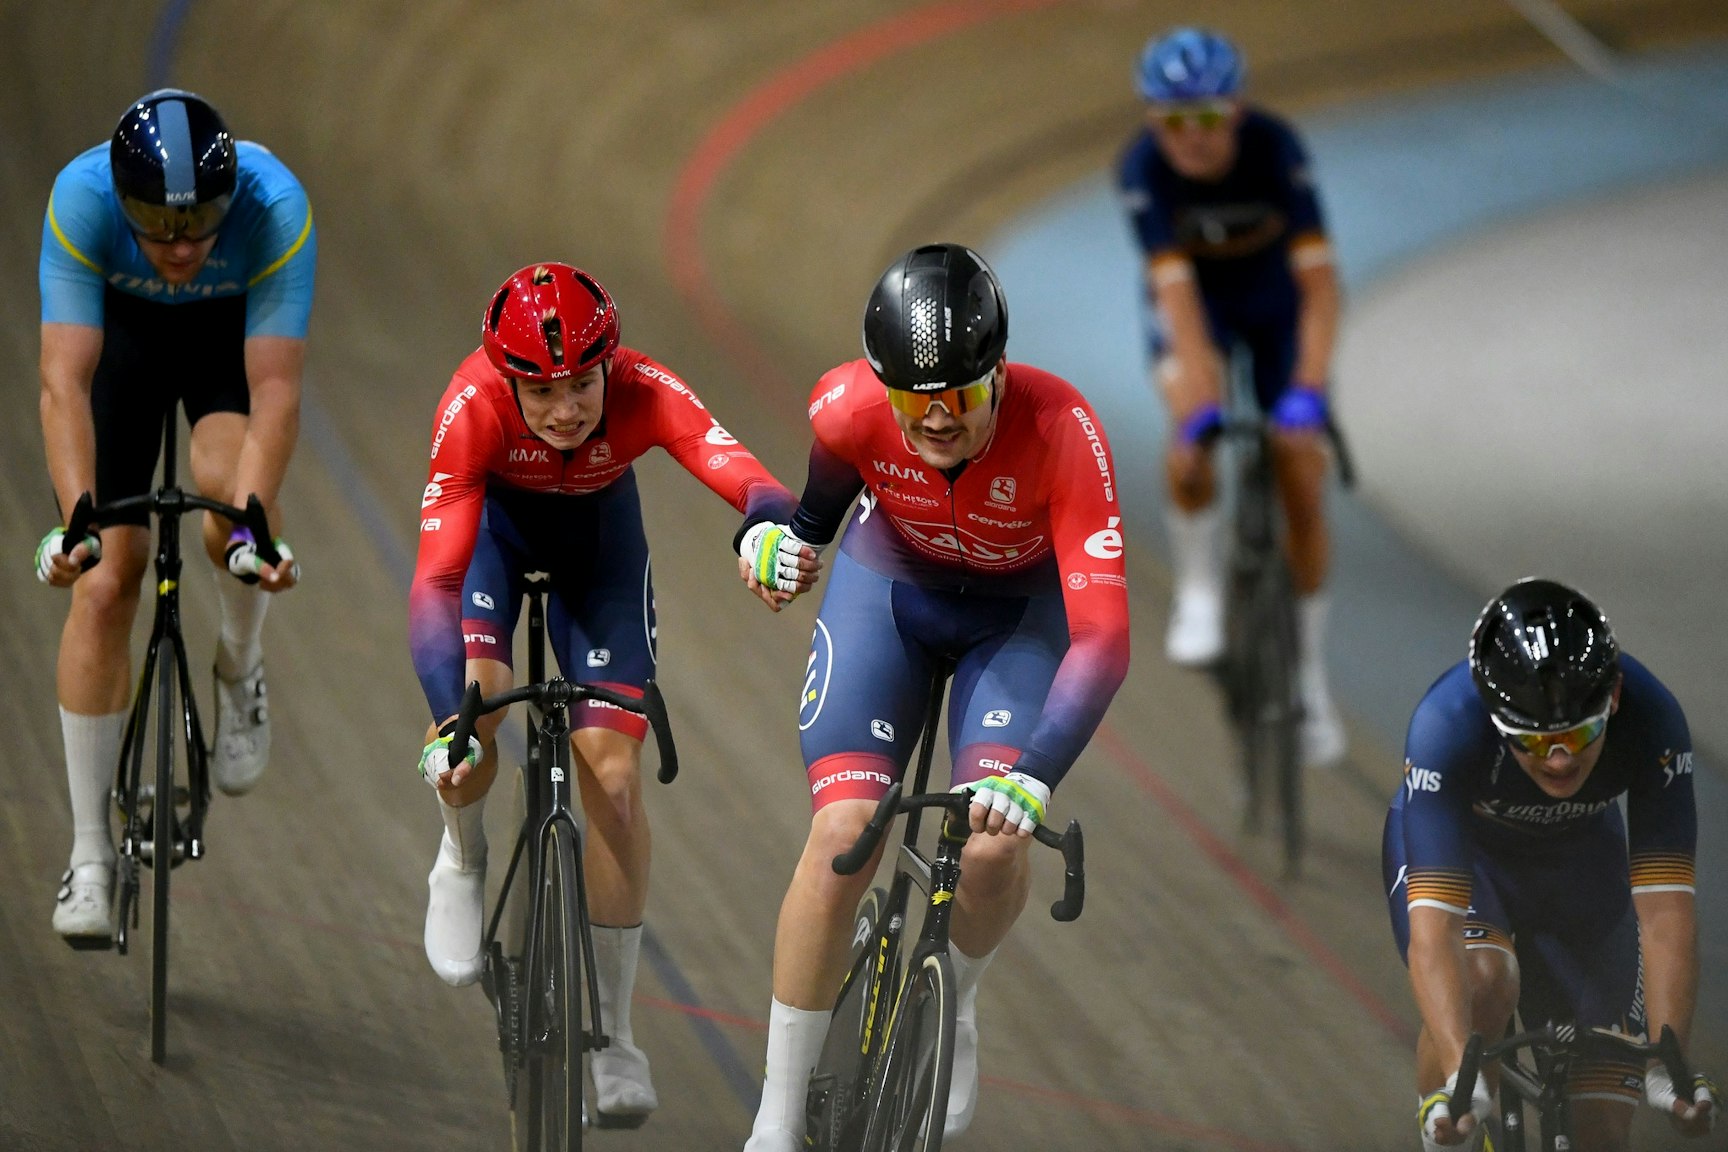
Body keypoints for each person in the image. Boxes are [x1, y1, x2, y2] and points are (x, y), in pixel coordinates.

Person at [735, 243, 1131, 1150]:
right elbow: (813, 520)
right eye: (914, 400)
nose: (937, 418)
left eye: (960, 395)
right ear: (884, 387)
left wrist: (1033, 778)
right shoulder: (847, 409)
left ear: (998, 373)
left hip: (1017, 622)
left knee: (991, 845)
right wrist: (776, 552)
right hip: (892, 596)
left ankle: (958, 999)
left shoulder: (1064, 431)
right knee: (842, 836)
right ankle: (778, 1111)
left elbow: (1103, 636)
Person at [409, 261, 809, 1125]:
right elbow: (438, 583)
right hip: (494, 545)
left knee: (616, 783)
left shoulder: (641, 388)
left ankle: (615, 1035)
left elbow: (737, 466)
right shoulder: (472, 406)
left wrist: (768, 521)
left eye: (582, 384)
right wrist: (451, 720)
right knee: (471, 723)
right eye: (541, 391)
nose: (566, 409)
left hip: (600, 547)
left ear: (610, 366)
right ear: (507, 380)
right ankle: (463, 852)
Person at [36, 89, 313, 947]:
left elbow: (274, 391)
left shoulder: (275, 208)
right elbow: (65, 384)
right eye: (157, 225)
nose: (184, 245)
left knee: (223, 512)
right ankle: (89, 859)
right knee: (107, 580)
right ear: (121, 199)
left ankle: (240, 666)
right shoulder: (80, 198)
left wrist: (254, 528)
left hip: (224, 347)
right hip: (124, 347)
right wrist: (77, 519)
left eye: (201, 225)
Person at [1383, 578, 1718, 1152]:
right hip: (1470, 858)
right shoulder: (1445, 722)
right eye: (1533, 742)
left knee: (1602, 1132)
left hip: (1581, 863)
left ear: (1613, 699)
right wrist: (1463, 1074)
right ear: (1494, 719)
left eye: (1580, 734)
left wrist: (1670, 1063)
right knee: (1484, 980)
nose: (1559, 760)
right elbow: (1434, 932)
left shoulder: (1653, 719)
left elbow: (1665, 913)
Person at [1117, 27, 1346, 767]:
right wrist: (1202, 405)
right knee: (1191, 444)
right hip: (1201, 312)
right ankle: (1202, 591)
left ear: (1237, 111)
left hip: (1275, 307)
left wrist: (1308, 390)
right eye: (1173, 120)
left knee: (1301, 472)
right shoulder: (1143, 169)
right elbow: (1178, 303)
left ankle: (1309, 677)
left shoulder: (1277, 148)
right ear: (1153, 121)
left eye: (1207, 117)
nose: (1191, 136)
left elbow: (1319, 286)